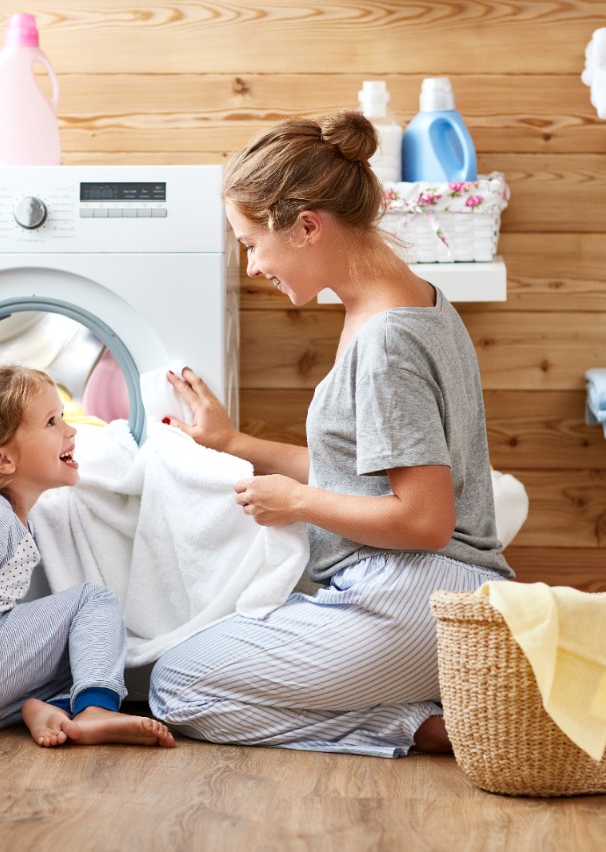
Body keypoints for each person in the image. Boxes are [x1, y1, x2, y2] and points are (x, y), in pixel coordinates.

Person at [147, 111, 513, 758]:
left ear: (308, 226)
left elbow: (425, 520)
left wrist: (297, 503)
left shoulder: (386, 343)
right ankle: (419, 711)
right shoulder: (409, 301)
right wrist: (235, 444)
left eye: (252, 243)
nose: (253, 266)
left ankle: (416, 726)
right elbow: (362, 471)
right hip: (437, 597)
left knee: (175, 686)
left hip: (411, 601)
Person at [0, 365, 175, 750]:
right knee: (92, 602)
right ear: (2, 460)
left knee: (84, 646)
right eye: (50, 422)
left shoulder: (2, 513)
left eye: (62, 417)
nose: (70, 430)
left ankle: (42, 709)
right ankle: (95, 710)